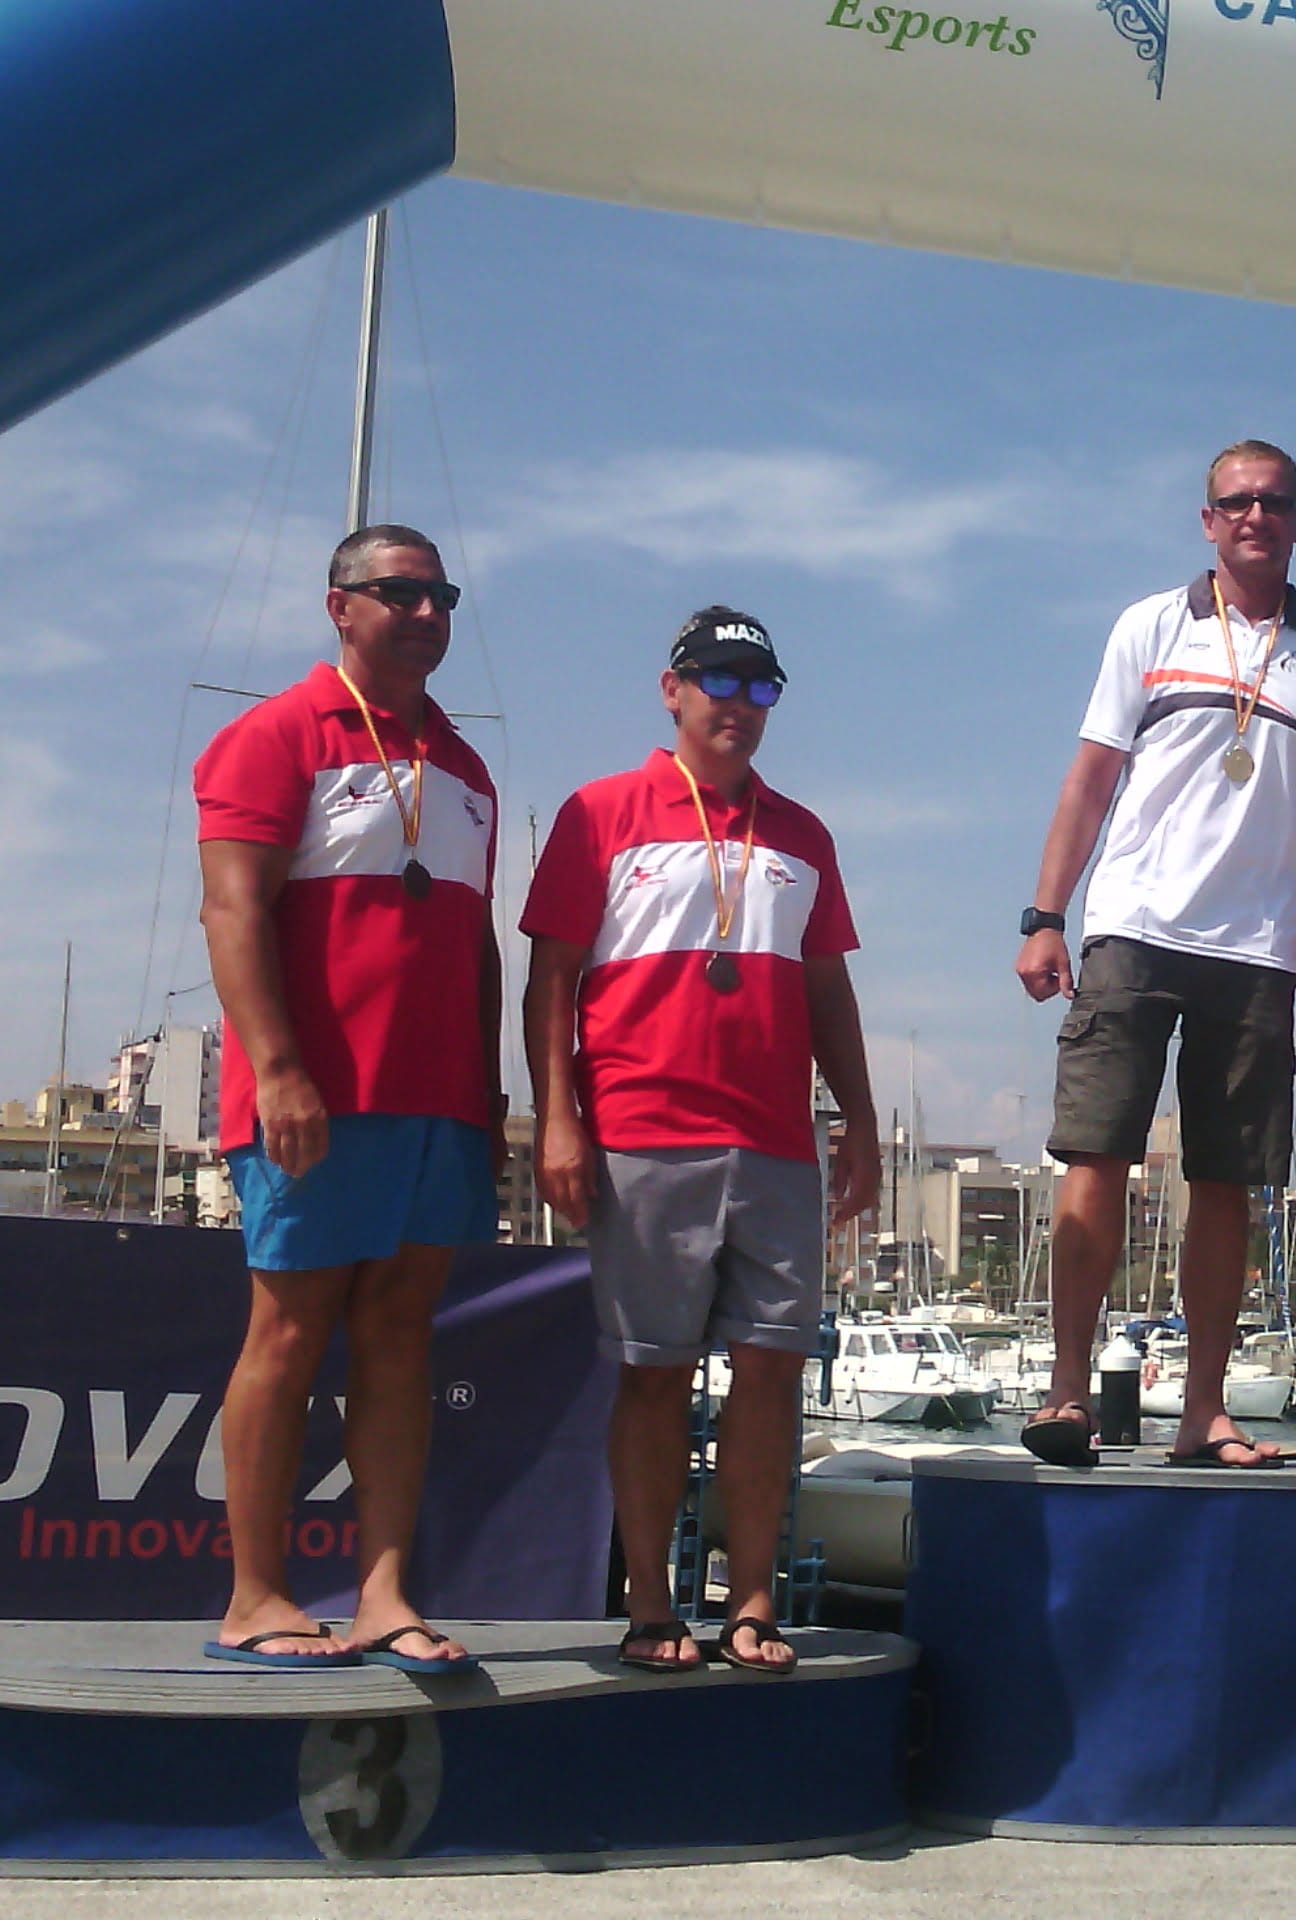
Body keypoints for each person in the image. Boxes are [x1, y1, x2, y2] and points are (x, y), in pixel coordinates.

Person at [523, 607, 883, 1673]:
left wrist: (858, 1120)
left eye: (761, 688)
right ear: (671, 689)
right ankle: (648, 1606)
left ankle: (754, 1603)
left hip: (774, 1142)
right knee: (654, 1374)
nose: (739, 704)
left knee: (772, 1370)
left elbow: (828, 990)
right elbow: (552, 981)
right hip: (644, 1133)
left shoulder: (801, 835)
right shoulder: (601, 813)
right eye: (719, 682)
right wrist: (556, 1117)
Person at [1014, 440, 1296, 1467]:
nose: (1255, 516)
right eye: (1236, 502)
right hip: (1132, 928)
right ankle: (1064, 1397)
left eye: (1274, 503)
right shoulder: (1149, 625)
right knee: (1096, 1156)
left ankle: (1205, 1411)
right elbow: (1088, 780)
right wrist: (1044, 913)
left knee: (1230, 1181)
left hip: (1256, 949)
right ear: (1207, 520)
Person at [194, 525, 500, 1671]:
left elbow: (475, 949)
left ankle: (383, 1594)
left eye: (441, 595)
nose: (426, 613)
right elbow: (232, 913)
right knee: (288, 1329)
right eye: (400, 593)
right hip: (315, 1097)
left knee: (398, 1337)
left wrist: (490, 1093)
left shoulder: (465, 768)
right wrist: (278, 1070)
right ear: (340, 606)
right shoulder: (274, 735)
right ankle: (256, 1596)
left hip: (440, 1103)